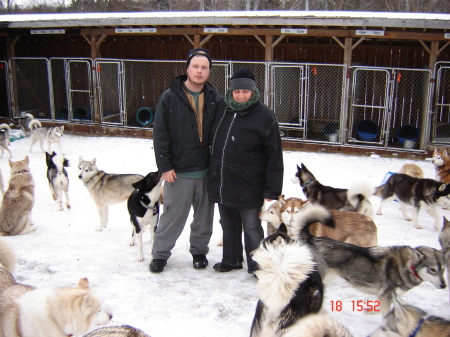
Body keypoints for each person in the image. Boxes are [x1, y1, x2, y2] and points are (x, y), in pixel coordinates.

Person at [150, 48, 223, 273]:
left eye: (204, 67)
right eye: (195, 66)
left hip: (206, 169)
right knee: (173, 215)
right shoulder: (170, 97)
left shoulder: (215, 98)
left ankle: (199, 252)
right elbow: (160, 133)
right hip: (178, 171)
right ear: (187, 69)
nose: (199, 71)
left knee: (204, 217)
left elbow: (220, 133)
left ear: (209, 71)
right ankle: (160, 254)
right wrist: (165, 166)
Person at [207, 68, 284, 274]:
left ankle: (258, 266)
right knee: (228, 223)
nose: (240, 96)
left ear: (253, 92)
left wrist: (272, 190)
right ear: (230, 91)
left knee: (252, 227)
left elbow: (274, 155)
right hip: (223, 179)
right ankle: (231, 259)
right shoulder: (222, 108)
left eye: (245, 92)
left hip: (250, 182)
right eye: (236, 91)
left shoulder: (265, 116)